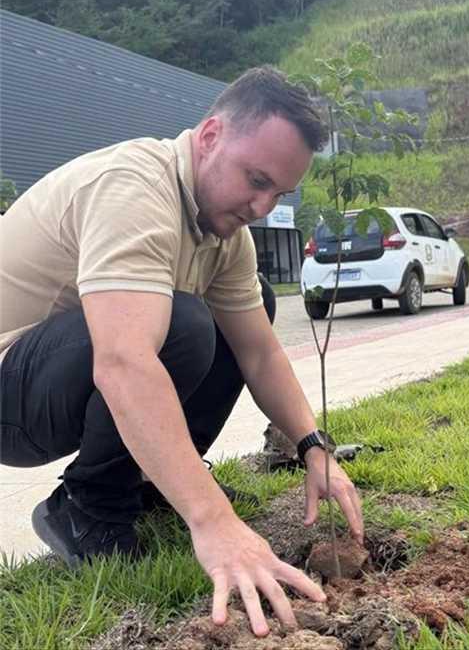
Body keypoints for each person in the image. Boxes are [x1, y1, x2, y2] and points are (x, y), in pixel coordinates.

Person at [0, 66, 363, 637]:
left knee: (242, 309)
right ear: (211, 135)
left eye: (279, 193)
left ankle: (148, 486)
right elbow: (123, 364)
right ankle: (88, 509)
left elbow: (259, 354)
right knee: (184, 323)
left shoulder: (225, 236)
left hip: (58, 375)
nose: (263, 206)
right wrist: (213, 520)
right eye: (255, 179)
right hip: (10, 396)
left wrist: (313, 446)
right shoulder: (134, 188)